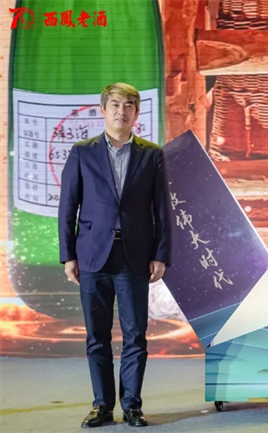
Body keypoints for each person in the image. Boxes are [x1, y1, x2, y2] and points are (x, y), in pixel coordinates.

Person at [58, 83, 172, 428]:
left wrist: (161, 254)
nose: (122, 111)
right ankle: (102, 405)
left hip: (135, 256)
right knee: (97, 336)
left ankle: (132, 405)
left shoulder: (152, 154)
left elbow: (162, 210)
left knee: (135, 335)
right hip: (92, 256)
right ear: (103, 110)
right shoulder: (82, 152)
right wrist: (68, 256)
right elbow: (68, 207)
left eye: (129, 106)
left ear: (137, 113)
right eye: (116, 105)